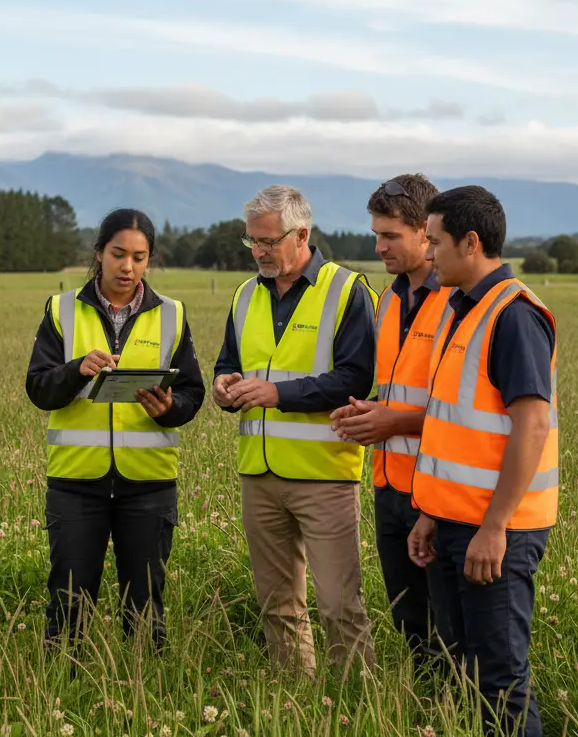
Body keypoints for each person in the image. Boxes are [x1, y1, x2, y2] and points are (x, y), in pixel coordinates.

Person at [407, 185, 557, 737]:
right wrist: (430, 513)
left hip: (497, 533)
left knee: (499, 676)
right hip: (453, 523)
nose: (429, 251)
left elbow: (532, 428)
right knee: (466, 670)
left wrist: (493, 528)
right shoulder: (460, 308)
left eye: (436, 241)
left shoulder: (514, 316)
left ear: (471, 243)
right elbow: (455, 428)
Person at [213, 185, 378, 678]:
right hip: (258, 474)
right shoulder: (245, 294)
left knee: (339, 605)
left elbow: (355, 378)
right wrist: (224, 386)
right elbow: (230, 362)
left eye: (267, 242)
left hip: (324, 474)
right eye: (252, 243)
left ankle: (358, 707)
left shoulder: (347, 291)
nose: (259, 252)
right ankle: (297, 698)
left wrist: (277, 395)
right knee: (278, 604)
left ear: (301, 233)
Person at [26, 209, 204, 648]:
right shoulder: (61, 310)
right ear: (99, 253)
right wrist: (75, 371)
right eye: (118, 255)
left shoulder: (173, 315)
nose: (128, 267)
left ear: (150, 260)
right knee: (68, 604)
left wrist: (167, 408)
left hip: (148, 483)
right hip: (75, 483)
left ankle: (144, 700)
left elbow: (192, 395)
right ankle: (62, 692)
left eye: (139, 258)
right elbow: (38, 389)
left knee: (145, 607)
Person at [331, 174, 451, 665]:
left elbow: (465, 412)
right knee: (410, 622)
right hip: (388, 485)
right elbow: (394, 389)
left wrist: (391, 423)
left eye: (391, 236)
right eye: (377, 234)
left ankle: (463, 729)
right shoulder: (389, 300)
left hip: (441, 489)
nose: (378, 246)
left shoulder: (456, 303)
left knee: (451, 629)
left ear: (426, 232)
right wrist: (368, 412)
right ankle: (428, 723)